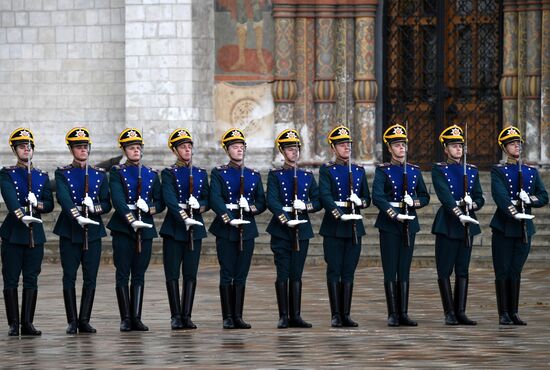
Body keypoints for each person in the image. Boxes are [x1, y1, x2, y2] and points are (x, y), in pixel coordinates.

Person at [54, 127, 111, 334]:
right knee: (69, 275)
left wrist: (93, 208)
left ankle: (84, 319)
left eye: (85, 147)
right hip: (70, 230)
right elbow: (63, 197)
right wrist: (77, 215)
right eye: (79, 147)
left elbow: (106, 203)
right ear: (71, 149)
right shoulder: (62, 173)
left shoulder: (99, 175)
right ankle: (72, 320)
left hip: (93, 232)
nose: (83, 150)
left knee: (90, 277)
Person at [372, 123, 430, 327]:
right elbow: (377, 197)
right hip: (390, 225)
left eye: (403, 145)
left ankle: (403, 312)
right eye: (397, 145)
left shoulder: (414, 171)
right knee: (391, 269)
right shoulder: (383, 171)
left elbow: (425, 196)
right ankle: (392, 313)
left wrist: (413, 202)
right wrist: (394, 214)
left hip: (409, 224)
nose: (401, 149)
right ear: (389, 148)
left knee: (404, 269)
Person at [107, 128, 164, 332]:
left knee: (139, 274)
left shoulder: (150, 173)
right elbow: (118, 200)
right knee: (123, 273)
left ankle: (136, 317)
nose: (136, 151)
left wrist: (149, 208)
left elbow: (160, 202)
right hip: (124, 227)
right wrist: (131, 220)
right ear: (124, 150)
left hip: (145, 228)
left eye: (138, 147)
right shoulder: (117, 172)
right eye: (131, 148)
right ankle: (125, 318)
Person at [209, 128, 266, 329]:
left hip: (247, 228)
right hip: (226, 228)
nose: (239, 149)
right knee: (227, 272)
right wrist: (228, 218)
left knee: (241, 273)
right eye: (235, 146)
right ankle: (227, 317)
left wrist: (249, 208)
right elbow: (215, 198)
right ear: (227, 150)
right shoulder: (219, 173)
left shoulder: (253, 174)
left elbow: (261, 201)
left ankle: (238, 315)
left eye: (241, 146)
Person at [490, 126, 548, 325]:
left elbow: (543, 196)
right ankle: (503, 313)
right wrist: (516, 210)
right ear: (504, 148)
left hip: (524, 229)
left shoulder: (530, 171)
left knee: (515, 270)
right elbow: (500, 197)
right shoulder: (498, 171)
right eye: (512, 144)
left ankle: (513, 312)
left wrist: (529, 199)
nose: (516, 146)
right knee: (503, 270)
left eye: (518, 143)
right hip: (504, 227)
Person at [1, 128, 54, 336]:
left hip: (35, 234)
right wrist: (22, 213)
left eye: (29, 146)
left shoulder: (41, 176)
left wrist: (37, 204)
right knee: (11, 278)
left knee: (31, 278)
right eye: (22, 147)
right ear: (15, 150)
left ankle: (27, 322)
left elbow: (49, 204)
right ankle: (13, 323)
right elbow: (10, 198)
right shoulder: (7, 173)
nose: (26, 149)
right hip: (14, 232)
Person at [266, 129, 321, 329]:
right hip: (281, 230)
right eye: (290, 149)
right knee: (283, 273)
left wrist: (305, 206)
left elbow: (317, 201)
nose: (294, 152)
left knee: (296, 273)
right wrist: (285, 218)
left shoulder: (307, 176)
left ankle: (295, 315)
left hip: (302, 229)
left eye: (296, 148)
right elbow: (271, 200)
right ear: (282, 152)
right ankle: (283, 316)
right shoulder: (275, 176)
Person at [319, 125, 370, 328]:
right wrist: (338, 213)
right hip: (334, 226)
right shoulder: (327, 170)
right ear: (333, 147)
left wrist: (360, 202)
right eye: (342, 144)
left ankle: (346, 313)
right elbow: (325, 195)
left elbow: (367, 197)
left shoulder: (358, 170)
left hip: (354, 226)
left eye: (348, 144)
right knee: (334, 270)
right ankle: (335, 314)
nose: (347, 147)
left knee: (349, 270)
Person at [431, 125, 483, 325]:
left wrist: (473, 204)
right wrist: (459, 211)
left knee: (463, 269)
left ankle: (460, 311)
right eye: (453, 146)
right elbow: (444, 196)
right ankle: (449, 312)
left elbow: (480, 197)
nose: (458, 149)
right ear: (445, 149)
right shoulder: (439, 169)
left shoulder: (471, 170)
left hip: (467, 225)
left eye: (460, 146)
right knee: (445, 270)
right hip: (448, 223)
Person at [160, 129, 208, 330]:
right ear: (175, 150)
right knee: (172, 273)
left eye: (189, 147)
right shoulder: (168, 173)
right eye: (182, 147)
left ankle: (187, 315)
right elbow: (169, 200)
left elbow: (207, 199)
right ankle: (175, 315)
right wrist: (184, 216)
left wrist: (198, 206)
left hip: (194, 229)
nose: (187, 150)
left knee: (190, 273)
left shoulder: (200, 173)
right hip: (174, 228)